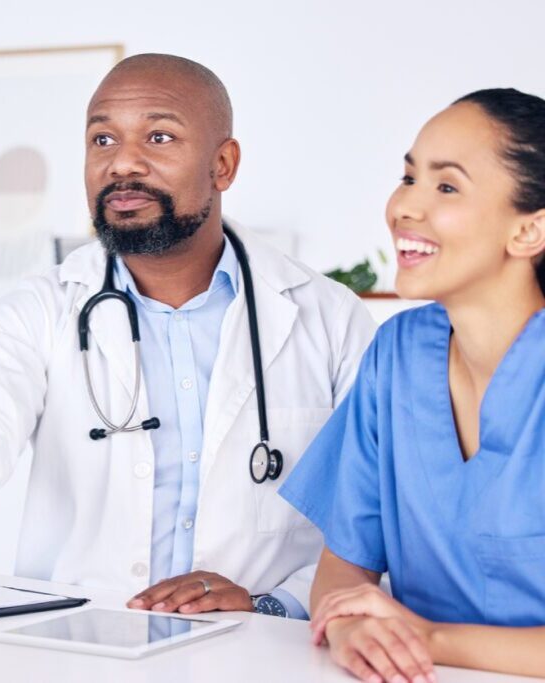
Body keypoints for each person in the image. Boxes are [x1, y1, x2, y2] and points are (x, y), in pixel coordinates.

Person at [0, 53, 376, 619]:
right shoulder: (42, 308)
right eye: (102, 140)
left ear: (223, 165)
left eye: (159, 136)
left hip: (258, 652)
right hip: (83, 642)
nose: (122, 164)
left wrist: (268, 605)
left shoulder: (330, 318)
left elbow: (370, 519)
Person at [279, 88, 545, 681]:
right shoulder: (397, 356)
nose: (404, 207)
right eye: (408, 177)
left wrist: (426, 638)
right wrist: (350, 626)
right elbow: (345, 568)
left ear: (529, 231)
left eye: (446, 186)